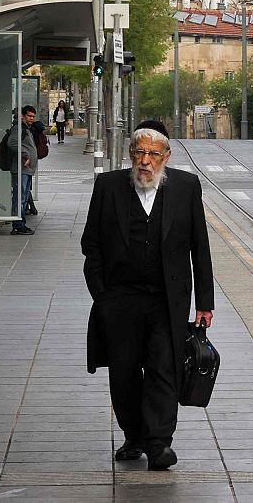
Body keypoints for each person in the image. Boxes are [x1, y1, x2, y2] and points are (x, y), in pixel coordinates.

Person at [81, 120, 213, 472]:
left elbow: (200, 247)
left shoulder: (186, 187)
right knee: (123, 372)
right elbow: (90, 245)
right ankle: (134, 434)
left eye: (154, 154)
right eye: (140, 152)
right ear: (130, 155)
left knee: (163, 368)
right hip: (120, 298)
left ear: (166, 157)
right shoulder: (108, 186)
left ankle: (159, 444)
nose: (146, 161)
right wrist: (102, 296)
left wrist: (205, 303)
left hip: (165, 298)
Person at [4, 106, 38, 235]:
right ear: (22, 116)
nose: (32, 119)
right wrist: (25, 154)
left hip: (26, 169)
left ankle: (20, 223)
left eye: (33, 117)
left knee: (23, 197)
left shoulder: (25, 128)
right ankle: (18, 225)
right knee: (20, 197)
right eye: (29, 116)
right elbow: (12, 143)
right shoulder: (19, 128)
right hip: (21, 168)